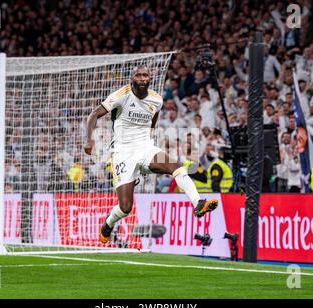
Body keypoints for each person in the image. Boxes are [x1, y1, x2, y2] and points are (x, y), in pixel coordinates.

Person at [84, 65, 218, 244]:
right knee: (125, 208)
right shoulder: (121, 95)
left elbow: (153, 120)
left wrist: (147, 139)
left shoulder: (156, 100)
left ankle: (198, 203)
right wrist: (89, 140)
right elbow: (94, 114)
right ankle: (108, 224)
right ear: (132, 79)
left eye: (145, 75)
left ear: (149, 79)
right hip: (123, 152)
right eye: (138, 75)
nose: (142, 78)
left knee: (176, 166)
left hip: (145, 147)